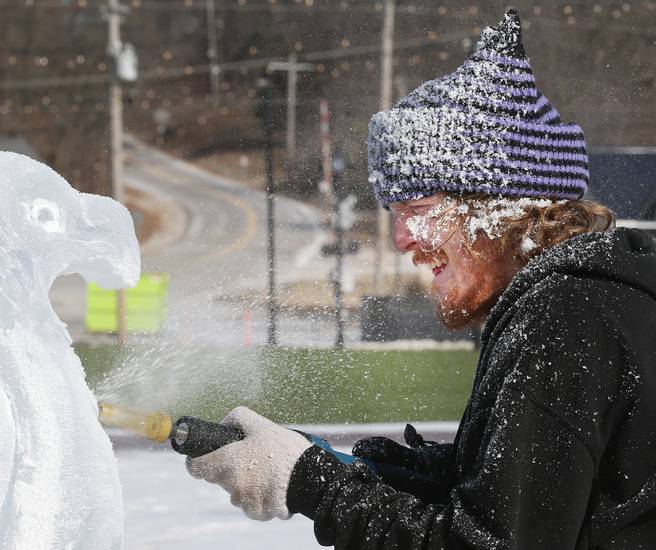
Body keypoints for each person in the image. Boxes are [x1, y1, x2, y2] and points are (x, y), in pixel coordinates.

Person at [186, 9, 656, 548]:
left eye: (419, 206)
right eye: (394, 210)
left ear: (497, 207)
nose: (401, 238)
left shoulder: (564, 317)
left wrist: (311, 484)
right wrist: (392, 475)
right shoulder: (597, 300)